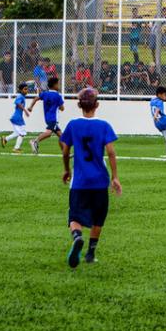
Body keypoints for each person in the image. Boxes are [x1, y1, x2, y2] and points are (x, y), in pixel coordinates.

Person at [61, 88, 121, 268]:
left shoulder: (73, 125)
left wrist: (66, 169)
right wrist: (115, 177)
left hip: (79, 181)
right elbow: (111, 152)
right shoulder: (103, 125)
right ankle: (90, 253)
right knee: (98, 217)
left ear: (79, 105)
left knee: (74, 216)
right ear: (97, 105)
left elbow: (65, 151)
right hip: (100, 181)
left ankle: (77, 237)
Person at [29, 77, 65, 154]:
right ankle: (35, 141)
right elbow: (62, 108)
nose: (58, 86)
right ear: (55, 85)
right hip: (53, 118)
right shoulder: (57, 96)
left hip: (47, 118)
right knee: (48, 133)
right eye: (58, 84)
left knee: (61, 136)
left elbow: (36, 98)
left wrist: (30, 107)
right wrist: (60, 106)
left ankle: (65, 152)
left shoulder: (45, 94)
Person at [1, 83, 31, 154]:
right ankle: (16, 148)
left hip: (18, 118)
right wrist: (25, 110)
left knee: (17, 133)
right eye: (25, 89)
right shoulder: (20, 96)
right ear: (20, 90)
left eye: (27, 89)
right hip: (17, 118)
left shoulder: (22, 97)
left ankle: (5, 139)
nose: (27, 91)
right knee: (22, 133)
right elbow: (17, 103)